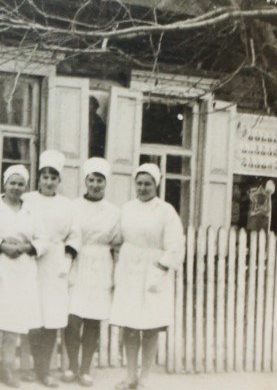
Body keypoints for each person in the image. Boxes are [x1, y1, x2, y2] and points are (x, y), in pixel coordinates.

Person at [110, 163, 185, 389]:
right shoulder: (127, 208)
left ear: (156, 185)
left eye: (147, 184)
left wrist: (161, 267)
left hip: (153, 270)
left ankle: (145, 377)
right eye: (139, 183)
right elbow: (117, 237)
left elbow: (175, 245)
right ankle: (130, 375)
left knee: (151, 326)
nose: (142, 188)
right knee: (130, 325)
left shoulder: (165, 211)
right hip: (129, 269)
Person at [0, 165, 47, 388]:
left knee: (13, 322)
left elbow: (43, 240)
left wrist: (26, 247)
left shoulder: (31, 211)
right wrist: (2, 245)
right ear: (4, 184)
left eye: (20, 184)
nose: (16, 187)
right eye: (12, 183)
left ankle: (7, 369)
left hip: (22, 270)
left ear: (26, 186)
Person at [23, 150, 80, 388]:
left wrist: (66, 261)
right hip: (30, 260)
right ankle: (29, 367)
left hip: (55, 264)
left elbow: (75, 235)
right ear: (38, 178)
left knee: (50, 318)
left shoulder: (67, 205)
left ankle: (44, 370)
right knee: (31, 316)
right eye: (45, 177)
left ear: (59, 180)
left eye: (53, 177)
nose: (48, 182)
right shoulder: (27, 200)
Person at [63, 158, 122, 387]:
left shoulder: (113, 212)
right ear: (85, 181)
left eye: (100, 180)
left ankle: (85, 369)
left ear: (106, 183)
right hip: (77, 262)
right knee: (73, 318)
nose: (95, 185)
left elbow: (117, 242)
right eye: (91, 180)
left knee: (93, 320)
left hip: (101, 264)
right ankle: (71, 365)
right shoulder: (72, 207)